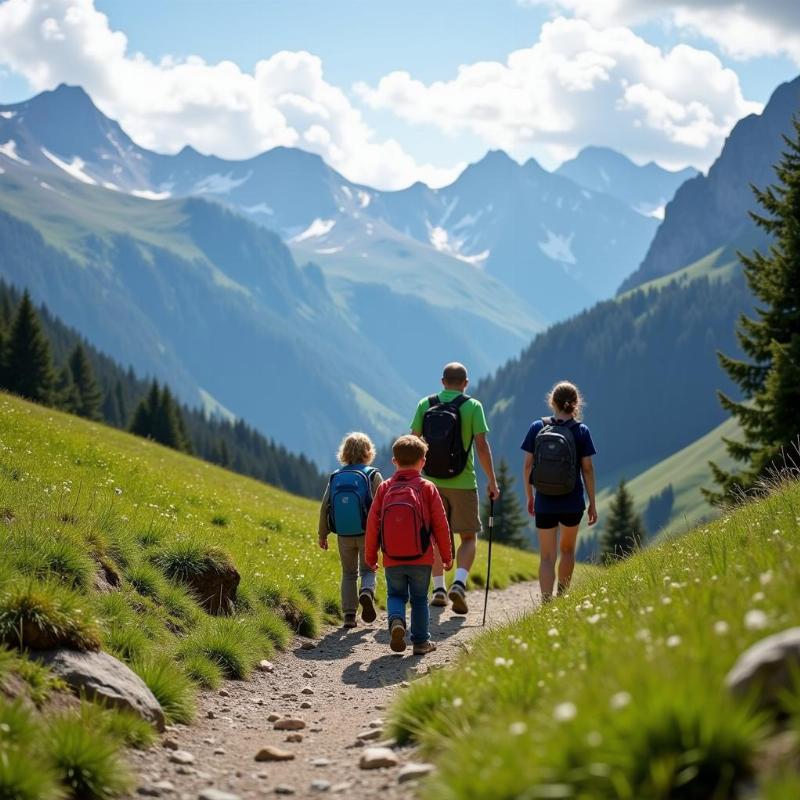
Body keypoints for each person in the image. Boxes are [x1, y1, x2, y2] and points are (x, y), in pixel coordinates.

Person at [410, 362, 499, 614]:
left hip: (430, 484)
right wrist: (492, 481)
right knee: (469, 536)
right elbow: (481, 446)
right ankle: (458, 583)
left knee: (434, 536)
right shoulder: (473, 406)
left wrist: (410, 479)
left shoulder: (424, 404)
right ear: (465, 383)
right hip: (463, 482)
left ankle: (438, 589)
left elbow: (412, 443)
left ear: (442, 381)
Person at [365, 435, 453, 655]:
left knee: (395, 595)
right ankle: (421, 642)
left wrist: (371, 556)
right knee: (420, 599)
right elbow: (441, 525)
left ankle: (396, 622)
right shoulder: (427, 488)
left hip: (392, 557)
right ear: (423, 461)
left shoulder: (385, 488)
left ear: (394, 461)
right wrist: (446, 555)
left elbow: (373, 524)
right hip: (421, 557)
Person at [521, 381, 597, 602]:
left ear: (552, 401)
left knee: (546, 556)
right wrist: (592, 502)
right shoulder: (581, 431)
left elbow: (527, 466)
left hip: (544, 500)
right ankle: (562, 599)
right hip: (572, 501)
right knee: (567, 551)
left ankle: (546, 601)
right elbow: (588, 469)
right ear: (575, 403)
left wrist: (530, 496)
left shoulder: (537, 427)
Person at [318, 432, 383, 628]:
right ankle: (366, 592)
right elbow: (383, 505)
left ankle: (348, 615)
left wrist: (323, 533)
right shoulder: (373, 474)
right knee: (368, 569)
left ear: (344, 453)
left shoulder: (336, 476)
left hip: (344, 534)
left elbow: (325, 506)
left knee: (348, 574)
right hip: (367, 533)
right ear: (368, 452)